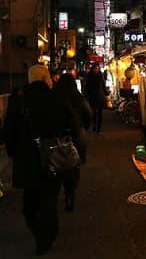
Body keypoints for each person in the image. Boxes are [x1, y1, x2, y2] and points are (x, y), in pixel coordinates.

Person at [2, 65, 67, 255]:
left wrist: (15, 154)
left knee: (30, 202)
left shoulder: (18, 101)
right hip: (52, 157)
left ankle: (39, 233)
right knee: (48, 200)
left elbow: (8, 132)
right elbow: (66, 124)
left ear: (29, 79)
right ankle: (47, 236)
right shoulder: (55, 98)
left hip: (26, 161)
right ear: (47, 78)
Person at [55, 73, 92, 211]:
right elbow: (88, 114)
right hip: (77, 134)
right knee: (75, 166)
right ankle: (70, 195)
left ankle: (64, 188)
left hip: (60, 136)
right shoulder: (78, 98)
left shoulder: (55, 98)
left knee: (60, 164)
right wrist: (83, 127)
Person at [85, 64, 106, 134]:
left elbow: (103, 85)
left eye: (97, 68)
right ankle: (94, 125)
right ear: (93, 69)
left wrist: (106, 92)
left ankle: (99, 129)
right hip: (93, 97)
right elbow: (87, 87)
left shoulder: (101, 76)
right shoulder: (89, 76)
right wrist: (87, 95)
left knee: (100, 113)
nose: (97, 69)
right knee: (94, 112)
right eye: (95, 68)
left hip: (100, 96)